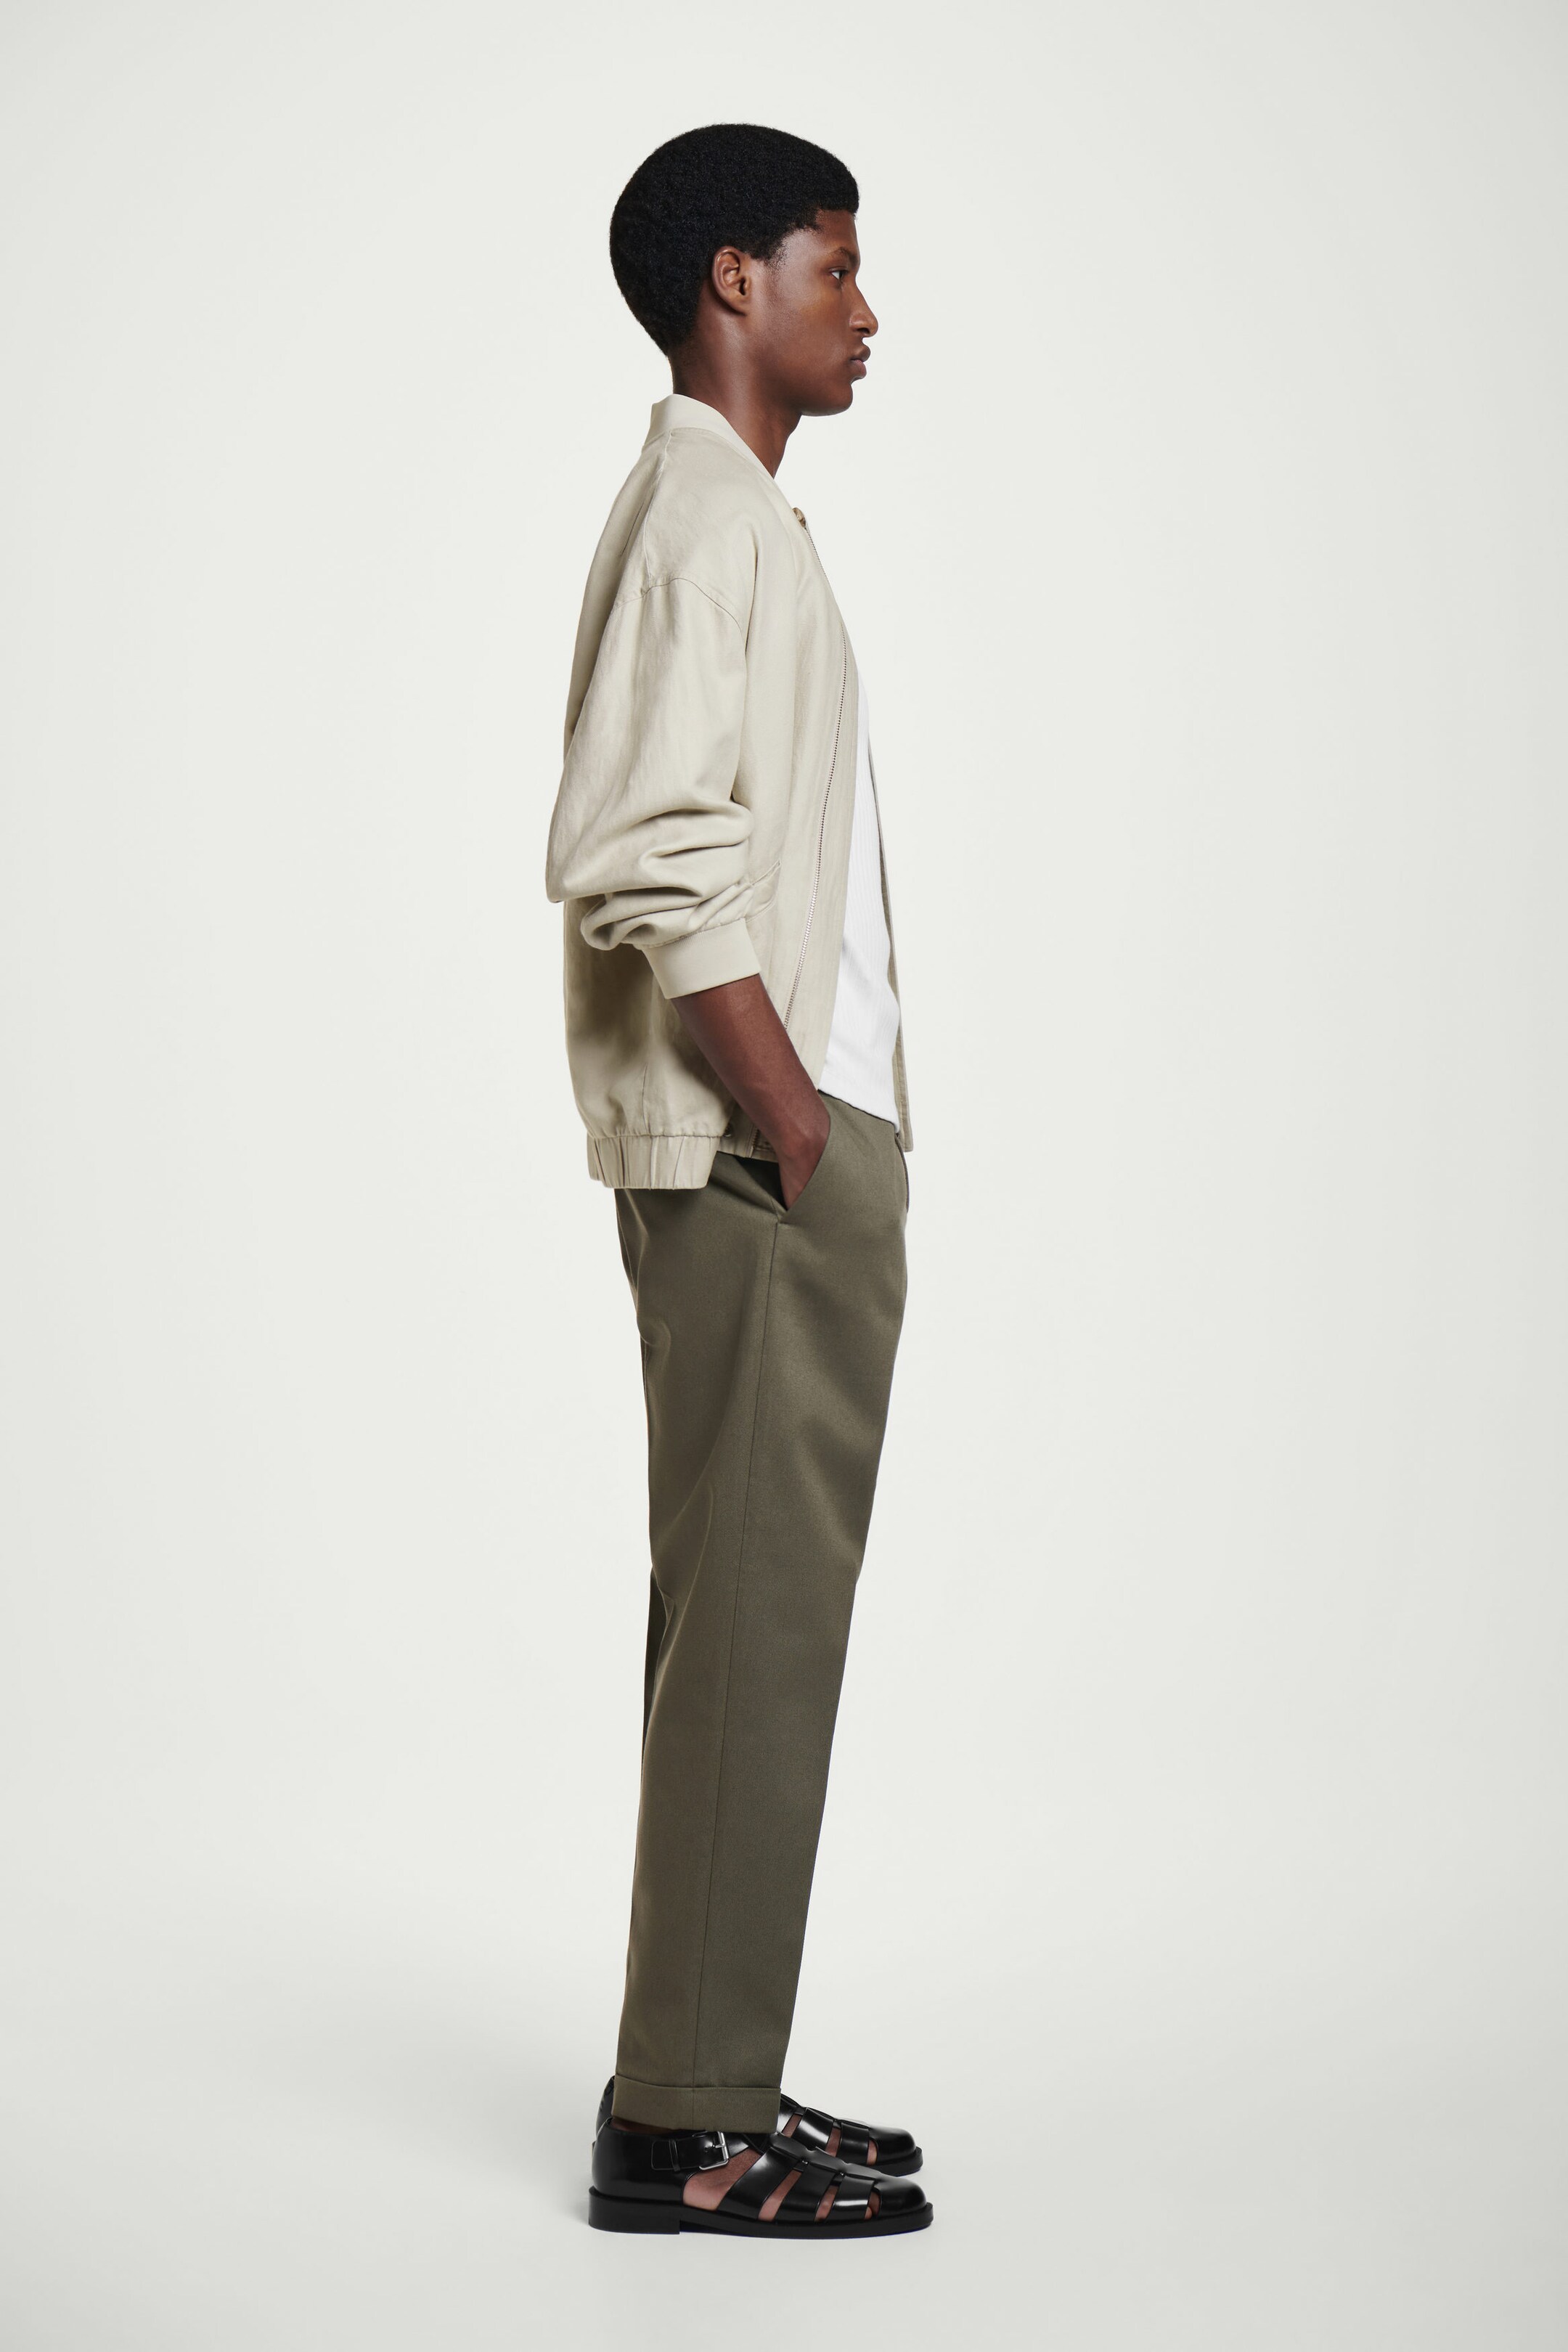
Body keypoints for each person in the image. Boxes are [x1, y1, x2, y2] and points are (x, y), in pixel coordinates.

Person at [546, 122, 931, 2240]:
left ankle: (715, 2076)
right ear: (733, 283)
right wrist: (794, 1119)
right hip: (758, 1157)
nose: (865, 311)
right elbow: (641, 845)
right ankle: (686, 2121)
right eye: (836, 269)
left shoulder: (734, 516)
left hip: (779, 1150)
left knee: (752, 1628)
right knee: (754, 1630)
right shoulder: (705, 518)